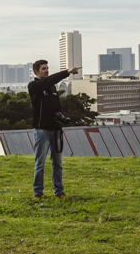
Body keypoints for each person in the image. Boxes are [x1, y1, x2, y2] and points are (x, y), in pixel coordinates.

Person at [28, 59, 80, 199]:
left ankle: (59, 191)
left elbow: (57, 106)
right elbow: (49, 81)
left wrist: (60, 116)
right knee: (40, 163)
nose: (46, 70)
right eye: (43, 68)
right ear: (36, 71)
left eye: (47, 68)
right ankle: (37, 193)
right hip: (42, 130)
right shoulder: (34, 86)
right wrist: (67, 72)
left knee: (57, 163)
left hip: (56, 129)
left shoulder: (52, 88)